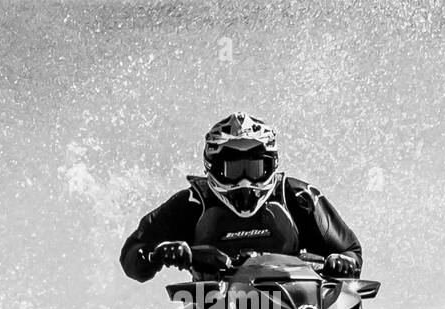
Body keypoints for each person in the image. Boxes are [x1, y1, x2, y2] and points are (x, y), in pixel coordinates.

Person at [119, 112, 362, 282]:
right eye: (234, 170)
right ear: (212, 167)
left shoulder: (298, 197)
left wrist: (342, 262)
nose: (245, 182)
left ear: (271, 166)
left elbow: (351, 252)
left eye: (254, 169)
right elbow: (131, 257)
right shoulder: (189, 204)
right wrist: (158, 254)